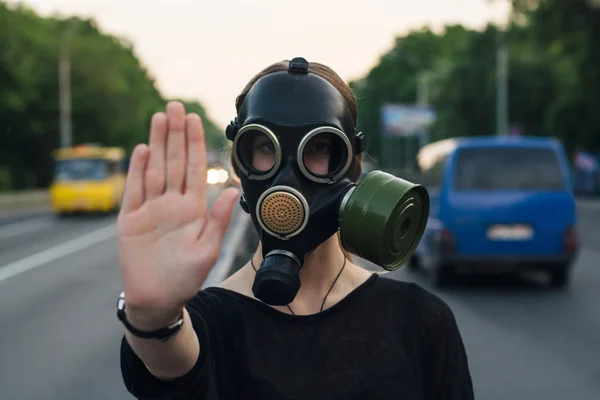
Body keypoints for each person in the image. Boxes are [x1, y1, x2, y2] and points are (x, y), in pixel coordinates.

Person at [117, 57, 474, 399]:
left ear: (351, 166)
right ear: (242, 167)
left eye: (318, 147)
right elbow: (170, 363)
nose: (288, 176)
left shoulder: (420, 321)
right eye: (264, 147)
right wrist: (151, 317)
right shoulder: (208, 323)